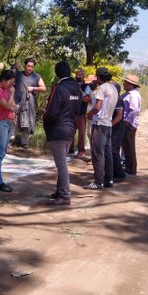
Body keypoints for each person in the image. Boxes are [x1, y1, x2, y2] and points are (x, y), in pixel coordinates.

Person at [42, 61, 83, 205]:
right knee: (62, 162)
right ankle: (60, 191)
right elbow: (79, 110)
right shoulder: (77, 88)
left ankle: (65, 195)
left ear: (57, 73)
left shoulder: (59, 88)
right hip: (70, 129)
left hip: (58, 130)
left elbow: (51, 112)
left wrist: (44, 121)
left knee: (61, 164)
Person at [85, 67, 118, 190]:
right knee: (107, 153)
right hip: (108, 124)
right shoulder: (113, 88)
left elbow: (98, 107)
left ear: (98, 77)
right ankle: (108, 180)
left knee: (98, 154)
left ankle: (98, 181)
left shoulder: (101, 88)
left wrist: (89, 114)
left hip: (99, 124)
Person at [0, 70, 18, 192]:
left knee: (2, 152)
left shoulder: (6, 89)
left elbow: (13, 106)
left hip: (8, 122)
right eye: (11, 82)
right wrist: (12, 94)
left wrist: (14, 113)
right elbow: (6, 106)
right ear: (4, 80)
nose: (12, 85)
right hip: (0, 123)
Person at [14, 58, 46, 148]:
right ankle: (10, 140)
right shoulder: (18, 74)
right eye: (28, 66)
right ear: (25, 65)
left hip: (29, 102)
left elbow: (43, 88)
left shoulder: (36, 76)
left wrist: (33, 88)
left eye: (31, 67)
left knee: (27, 123)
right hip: (16, 101)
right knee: (14, 121)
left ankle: (25, 142)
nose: (29, 68)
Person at [122, 73, 142, 176]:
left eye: (125, 82)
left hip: (129, 124)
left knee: (129, 146)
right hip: (127, 123)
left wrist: (127, 121)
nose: (123, 84)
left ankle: (131, 169)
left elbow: (134, 110)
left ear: (130, 84)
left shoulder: (133, 95)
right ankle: (129, 167)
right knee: (126, 146)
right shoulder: (129, 94)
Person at [70, 68, 91, 158]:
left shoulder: (87, 86)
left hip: (81, 112)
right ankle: (69, 148)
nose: (78, 76)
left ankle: (81, 150)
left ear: (83, 76)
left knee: (82, 132)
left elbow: (87, 99)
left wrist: (79, 91)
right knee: (70, 131)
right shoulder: (71, 84)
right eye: (77, 74)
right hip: (71, 111)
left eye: (80, 75)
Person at [110, 81, 127, 181]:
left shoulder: (118, 100)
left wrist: (109, 125)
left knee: (114, 151)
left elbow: (119, 116)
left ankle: (120, 174)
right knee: (112, 151)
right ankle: (113, 172)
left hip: (117, 129)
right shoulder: (114, 99)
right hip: (114, 128)